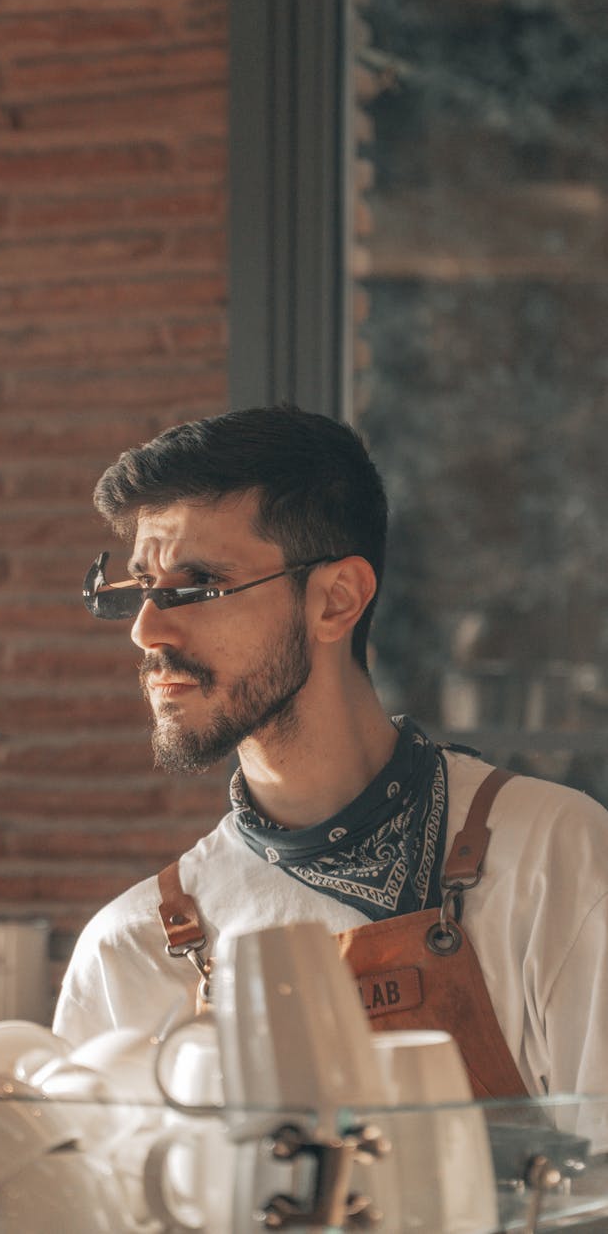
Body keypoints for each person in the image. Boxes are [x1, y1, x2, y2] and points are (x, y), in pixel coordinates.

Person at [53, 405, 608, 1104]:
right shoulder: (128, 952)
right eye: (140, 587)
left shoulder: (556, 860)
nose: (146, 629)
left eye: (196, 585)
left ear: (335, 601)